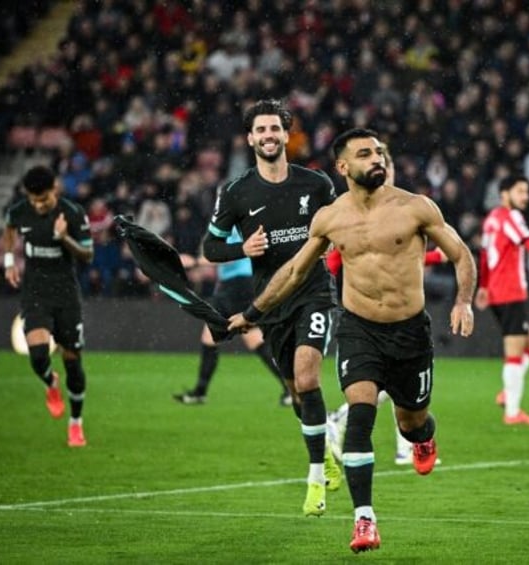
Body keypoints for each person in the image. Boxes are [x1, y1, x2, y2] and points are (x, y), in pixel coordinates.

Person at [228, 128, 476, 553]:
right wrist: (253, 313)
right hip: (359, 330)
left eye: (380, 151)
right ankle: (365, 520)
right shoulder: (330, 217)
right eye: (365, 153)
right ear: (343, 167)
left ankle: (424, 438)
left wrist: (464, 302)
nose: (376, 158)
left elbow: (461, 254)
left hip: (410, 332)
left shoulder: (415, 207)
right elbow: (293, 272)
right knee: (359, 418)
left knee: (411, 422)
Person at [201, 99, 341, 517]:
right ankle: (326, 451)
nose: (268, 136)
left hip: (314, 292)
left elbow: (337, 229)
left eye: (274, 129)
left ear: (286, 134)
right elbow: (210, 248)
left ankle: (315, 477)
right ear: (250, 138)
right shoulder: (236, 191)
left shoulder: (316, 185)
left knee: (306, 375)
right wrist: (240, 248)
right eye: (260, 130)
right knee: (298, 393)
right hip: (270, 302)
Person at [325, 141, 447, 465]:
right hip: (362, 318)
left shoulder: (410, 210)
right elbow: (339, 259)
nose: (383, 171)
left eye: (385, 164)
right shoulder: (350, 216)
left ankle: (414, 440)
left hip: (406, 321)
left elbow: (402, 257)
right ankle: (346, 424)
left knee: (409, 412)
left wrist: (434, 256)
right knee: (369, 389)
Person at [2, 164, 94, 447]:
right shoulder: (20, 211)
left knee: (73, 363)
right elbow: (9, 228)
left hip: (66, 297)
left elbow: (87, 255)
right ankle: (50, 384)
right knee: (38, 355)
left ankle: (75, 425)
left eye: (44, 200)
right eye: (34, 200)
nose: (40, 205)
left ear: (55, 188)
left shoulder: (74, 214)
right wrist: (9, 262)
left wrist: (63, 237)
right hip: (35, 294)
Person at [173, 226, 291, 407]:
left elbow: (224, 255)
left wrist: (195, 261)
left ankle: (200, 392)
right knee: (251, 337)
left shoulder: (229, 224)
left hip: (236, 286)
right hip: (243, 284)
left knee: (215, 334)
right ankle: (289, 387)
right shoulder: (239, 222)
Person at [476, 175, 529, 426]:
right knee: (515, 352)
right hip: (510, 291)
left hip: (496, 292)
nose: (525, 196)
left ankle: (508, 392)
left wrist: (483, 286)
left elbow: (484, 255)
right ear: (505, 194)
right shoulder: (511, 217)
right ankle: (512, 412)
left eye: (527, 191)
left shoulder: (492, 218)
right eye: (520, 191)